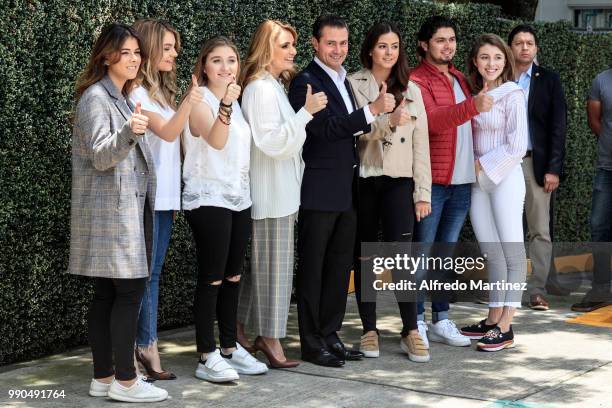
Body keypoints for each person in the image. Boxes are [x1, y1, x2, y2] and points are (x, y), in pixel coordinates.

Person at [288, 14, 395, 368]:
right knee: (314, 268)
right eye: (331, 43)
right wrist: (372, 111)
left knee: (338, 268)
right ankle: (311, 342)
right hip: (319, 188)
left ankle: (330, 335)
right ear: (315, 44)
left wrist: (377, 116)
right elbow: (325, 129)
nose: (338, 50)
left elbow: (349, 132)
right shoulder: (305, 81)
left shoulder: (343, 79)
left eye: (344, 43)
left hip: (348, 188)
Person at [69, 23, 168, 402]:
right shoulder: (97, 97)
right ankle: (125, 382)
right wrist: (130, 131)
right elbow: (100, 154)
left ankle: (103, 378)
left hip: (119, 210)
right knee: (128, 292)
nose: (132, 59)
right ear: (106, 55)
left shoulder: (121, 95)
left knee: (109, 295)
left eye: (137, 53)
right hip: (113, 212)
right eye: (124, 52)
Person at [236, 20, 327, 368]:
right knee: (275, 271)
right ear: (266, 48)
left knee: (261, 269)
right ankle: (269, 339)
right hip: (271, 193)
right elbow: (270, 142)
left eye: (292, 45)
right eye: (285, 45)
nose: (293, 51)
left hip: (280, 192)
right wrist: (305, 113)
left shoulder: (270, 85)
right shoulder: (260, 88)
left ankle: (239, 332)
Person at [182, 36, 268, 383]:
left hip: (238, 198)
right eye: (216, 60)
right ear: (204, 66)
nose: (225, 67)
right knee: (212, 277)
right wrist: (227, 106)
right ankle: (207, 354)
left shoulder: (238, 98)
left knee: (233, 276)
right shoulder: (199, 100)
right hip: (208, 198)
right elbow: (216, 141)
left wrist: (233, 103)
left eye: (231, 60)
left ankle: (230, 347)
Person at [348, 22, 432, 362]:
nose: (389, 52)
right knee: (365, 255)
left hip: (400, 180)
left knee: (402, 255)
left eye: (394, 46)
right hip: (366, 177)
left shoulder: (413, 89)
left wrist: (422, 192)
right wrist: (387, 121)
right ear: (370, 49)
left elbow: (420, 145)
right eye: (383, 46)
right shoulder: (353, 83)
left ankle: (411, 329)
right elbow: (354, 136)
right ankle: (369, 329)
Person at [410, 16, 491, 349]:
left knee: (444, 255)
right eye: (440, 40)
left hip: (461, 183)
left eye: (452, 39)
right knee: (422, 254)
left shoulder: (459, 77)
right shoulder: (417, 79)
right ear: (424, 45)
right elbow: (431, 122)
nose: (448, 46)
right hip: (435, 183)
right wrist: (472, 106)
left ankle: (441, 318)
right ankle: (414, 322)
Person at [129, 19, 202, 380]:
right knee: (141, 277)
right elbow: (170, 133)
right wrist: (190, 99)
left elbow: (180, 144)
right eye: (168, 47)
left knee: (152, 275)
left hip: (166, 198)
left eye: (176, 47)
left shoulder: (160, 94)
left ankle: (145, 343)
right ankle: (139, 347)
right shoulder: (136, 95)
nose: (175, 53)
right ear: (151, 48)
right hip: (145, 200)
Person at [460, 34, 528, 351]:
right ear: (475, 61)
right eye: (485, 57)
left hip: (505, 179)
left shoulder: (513, 94)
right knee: (492, 253)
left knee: (512, 254)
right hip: (478, 184)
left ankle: (506, 325)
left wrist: (478, 166)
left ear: (506, 61)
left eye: (498, 58)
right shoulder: (472, 95)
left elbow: (516, 146)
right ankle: (491, 319)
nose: (491, 63)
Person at [507, 24, 568, 311]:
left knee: (539, 229)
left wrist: (553, 168)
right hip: (503, 164)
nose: (524, 47)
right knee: (502, 227)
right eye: (518, 42)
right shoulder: (499, 77)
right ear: (510, 48)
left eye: (529, 43)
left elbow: (558, 127)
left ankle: (537, 290)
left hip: (536, 163)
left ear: (536, 48)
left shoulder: (549, 81)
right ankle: (504, 288)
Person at [571, 67, 612, 312]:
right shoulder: (602, 80)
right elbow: (594, 121)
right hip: (607, 168)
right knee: (599, 226)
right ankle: (601, 289)